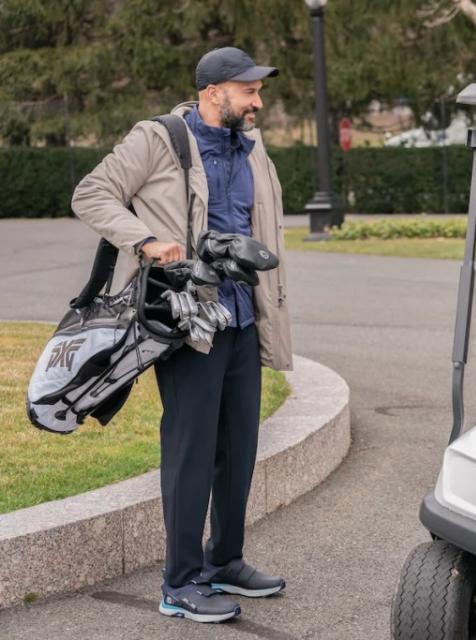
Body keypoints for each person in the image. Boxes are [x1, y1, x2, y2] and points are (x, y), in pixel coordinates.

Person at [72, 46, 293, 623]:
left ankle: (225, 562)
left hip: (243, 316)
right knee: (192, 453)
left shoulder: (251, 144)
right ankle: (179, 582)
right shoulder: (160, 139)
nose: (258, 101)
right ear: (215, 91)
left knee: (239, 449)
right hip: (188, 318)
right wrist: (145, 240)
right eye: (249, 91)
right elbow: (90, 193)